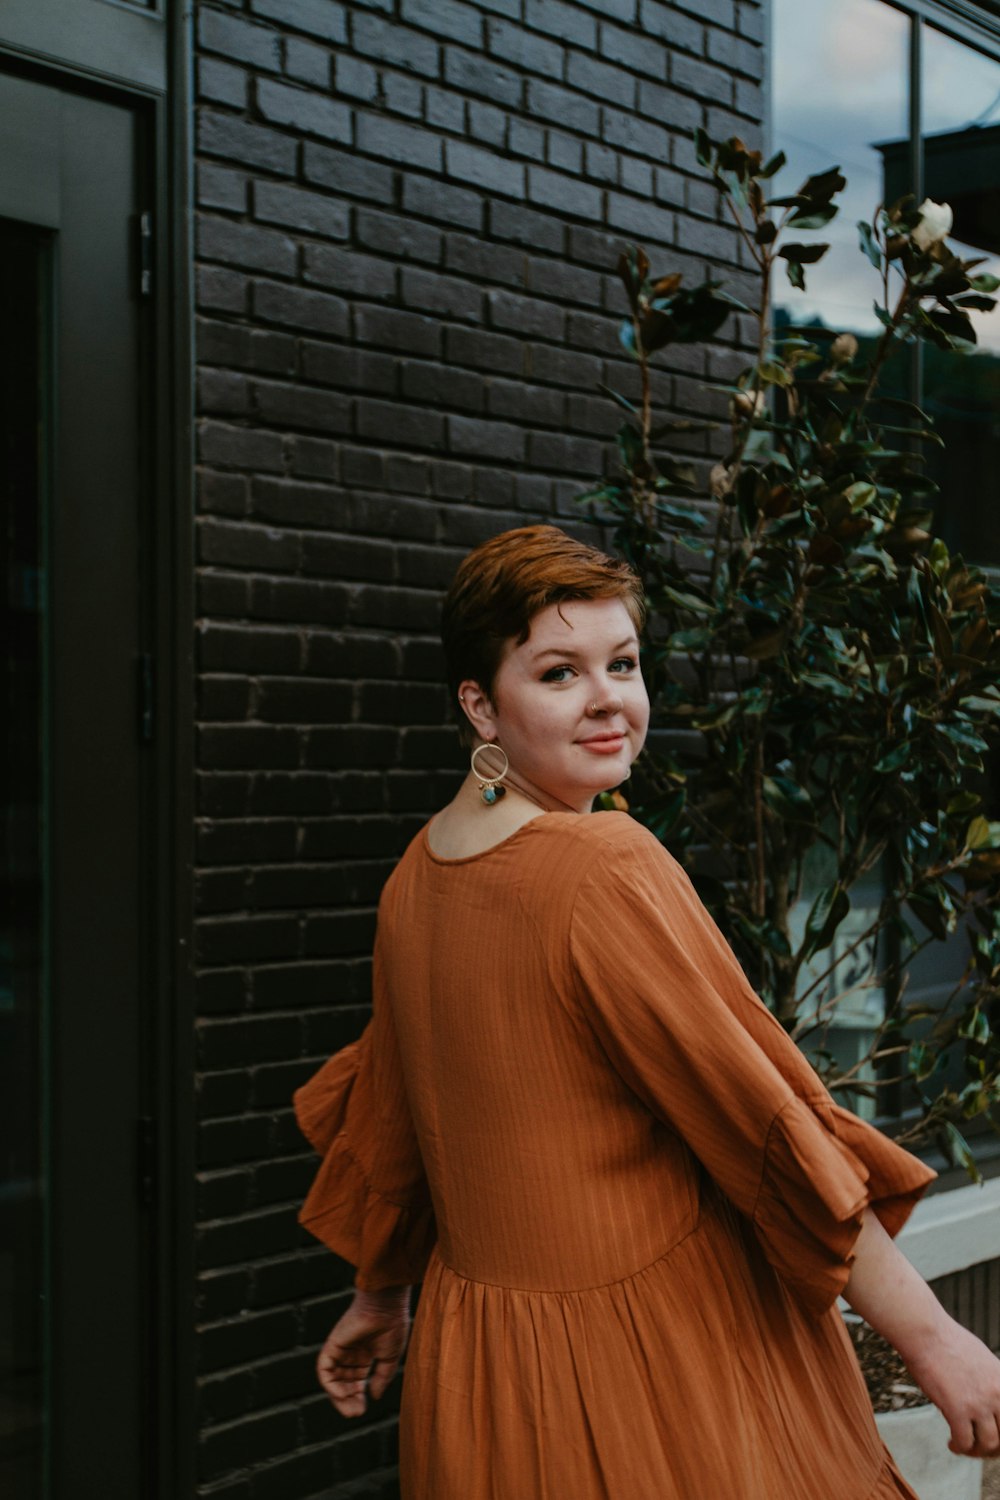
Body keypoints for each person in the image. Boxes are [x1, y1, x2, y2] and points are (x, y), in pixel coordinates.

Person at [294, 524, 1000, 1499]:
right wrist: (935, 1341)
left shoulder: (417, 875)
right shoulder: (604, 868)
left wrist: (380, 1292)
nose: (608, 702)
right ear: (479, 705)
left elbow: (400, 1117)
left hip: (481, 1372)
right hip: (644, 1364)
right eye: (557, 673)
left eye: (621, 663)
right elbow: (765, 1126)